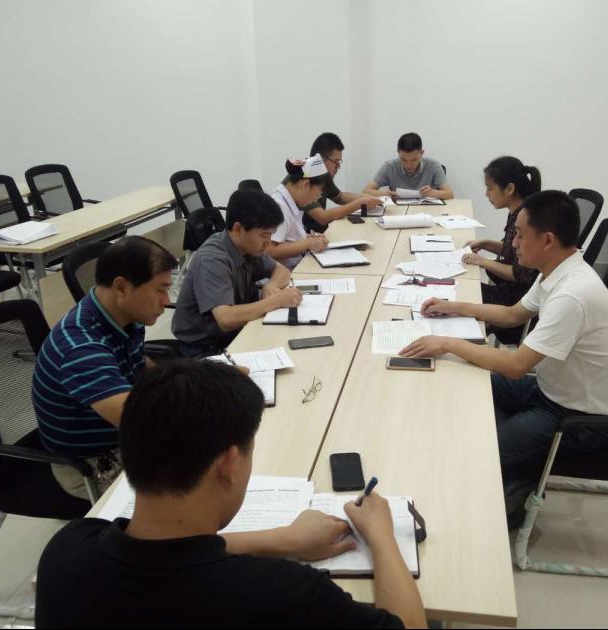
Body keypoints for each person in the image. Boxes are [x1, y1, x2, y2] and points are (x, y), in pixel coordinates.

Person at [36, 359, 427, 629]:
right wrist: (381, 536)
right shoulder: (284, 595)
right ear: (230, 464)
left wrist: (281, 539)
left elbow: (166, 554)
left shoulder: (66, 550)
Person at [399, 190, 608, 528]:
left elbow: (516, 365)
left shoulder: (572, 295)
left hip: (579, 419)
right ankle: (516, 461)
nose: (514, 244)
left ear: (547, 240)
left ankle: (518, 484)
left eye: (520, 235)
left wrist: (447, 343)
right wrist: (453, 306)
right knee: (468, 383)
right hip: (553, 390)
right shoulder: (557, 270)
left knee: (476, 450)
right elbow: (512, 314)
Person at [32, 236, 178, 500]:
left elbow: (141, 365)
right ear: (121, 287)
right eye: (160, 289)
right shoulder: (81, 348)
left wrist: (206, 380)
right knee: (197, 494)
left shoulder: (125, 316)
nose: (166, 301)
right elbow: (138, 422)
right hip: (91, 466)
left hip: (121, 436)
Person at [172, 190, 302, 358]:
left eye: (270, 235)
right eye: (264, 235)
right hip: (204, 348)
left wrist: (270, 286)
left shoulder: (248, 247)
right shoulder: (212, 259)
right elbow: (226, 319)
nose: (268, 243)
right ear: (238, 228)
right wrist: (275, 301)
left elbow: (282, 271)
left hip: (236, 333)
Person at [462, 156, 542, 344]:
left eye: (490, 188)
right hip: (512, 292)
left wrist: (483, 261)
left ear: (510, 189)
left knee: (463, 294)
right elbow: (512, 251)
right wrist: (487, 244)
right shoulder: (518, 211)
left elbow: (520, 274)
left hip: (516, 303)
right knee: (461, 291)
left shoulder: (524, 218)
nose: (486, 194)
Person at [298, 132, 385, 233]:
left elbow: (340, 197)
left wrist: (373, 199)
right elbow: (322, 217)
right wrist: (360, 203)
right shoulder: (305, 178)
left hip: (321, 233)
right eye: (336, 162)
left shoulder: (323, 176)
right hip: (307, 236)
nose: (338, 167)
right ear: (321, 159)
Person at [268, 155, 330, 269]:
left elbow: (288, 238)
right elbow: (269, 251)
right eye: (317, 194)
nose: (316, 200)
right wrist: (308, 243)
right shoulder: (279, 206)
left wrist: (310, 238)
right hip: (285, 273)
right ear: (306, 185)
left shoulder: (292, 201)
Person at [363, 133, 453, 200]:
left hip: (427, 210)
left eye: (414, 160)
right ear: (398, 153)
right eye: (403, 160)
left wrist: (433, 193)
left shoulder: (433, 165)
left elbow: (449, 194)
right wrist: (384, 195)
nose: (409, 165)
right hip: (397, 212)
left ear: (422, 153)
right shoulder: (389, 166)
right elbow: (366, 191)